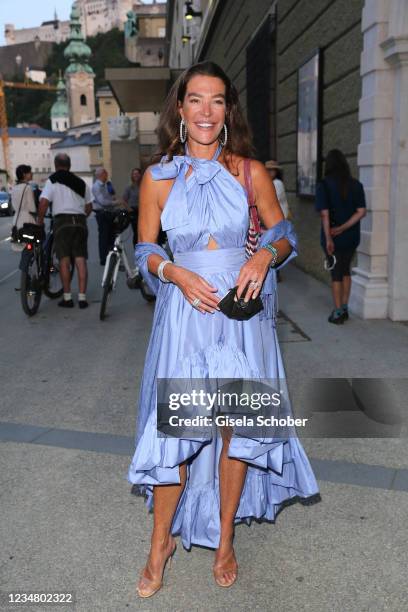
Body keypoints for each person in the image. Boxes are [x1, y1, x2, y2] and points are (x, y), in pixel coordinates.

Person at [127, 61, 320, 598]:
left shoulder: (248, 171)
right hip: (187, 315)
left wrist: (263, 260)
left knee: (236, 428)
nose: (206, 111)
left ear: (226, 110)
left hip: (241, 316)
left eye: (216, 100)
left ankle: (227, 536)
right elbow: (145, 250)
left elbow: (283, 234)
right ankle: (159, 542)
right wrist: (173, 271)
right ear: (180, 109)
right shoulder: (158, 177)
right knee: (179, 431)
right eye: (195, 100)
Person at [315, 149, 367, 324]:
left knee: (336, 272)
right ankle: (344, 308)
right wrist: (344, 228)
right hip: (351, 236)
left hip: (332, 236)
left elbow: (324, 213)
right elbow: (361, 212)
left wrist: (330, 236)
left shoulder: (324, 185)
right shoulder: (356, 185)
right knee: (345, 269)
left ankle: (337, 313)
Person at [37, 153, 93, 308]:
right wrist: (80, 216)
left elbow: (43, 202)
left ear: (56, 165)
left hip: (62, 222)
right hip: (80, 222)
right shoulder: (81, 182)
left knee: (64, 259)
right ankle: (82, 298)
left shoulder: (52, 180)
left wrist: (39, 221)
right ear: (69, 165)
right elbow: (89, 207)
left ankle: (67, 298)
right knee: (80, 259)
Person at [265, 160, 290, 282]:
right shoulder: (270, 182)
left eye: (272, 170)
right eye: (268, 170)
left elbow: (271, 199)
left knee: (276, 245)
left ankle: (276, 273)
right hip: (275, 220)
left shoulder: (277, 183)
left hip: (279, 220)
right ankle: (275, 272)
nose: (270, 172)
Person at [92, 167, 118, 265]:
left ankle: (112, 258)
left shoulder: (108, 184)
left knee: (112, 236)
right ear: (100, 175)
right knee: (104, 237)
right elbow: (102, 202)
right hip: (102, 214)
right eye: (105, 173)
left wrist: (114, 199)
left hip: (111, 213)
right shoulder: (96, 187)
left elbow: (113, 195)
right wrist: (115, 202)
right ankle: (103, 259)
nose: (106, 175)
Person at [10, 165, 39, 253]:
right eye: (29, 172)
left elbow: (13, 205)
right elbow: (32, 208)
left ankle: (26, 265)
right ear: (24, 174)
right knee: (35, 242)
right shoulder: (28, 188)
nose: (31, 174)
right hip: (28, 220)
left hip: (16, 220)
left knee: (22, 246)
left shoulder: (14, 188)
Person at [122, 167, 142, 246]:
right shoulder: (129, 187)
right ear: (132, 176)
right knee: (136, 231)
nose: (136, 175)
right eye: (134, 174)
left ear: (140, 175)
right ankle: (136, 249)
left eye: (137, 174)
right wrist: (129, 209)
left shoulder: (144, 185)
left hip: (143, 211)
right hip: (133, 211)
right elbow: (124, 200)